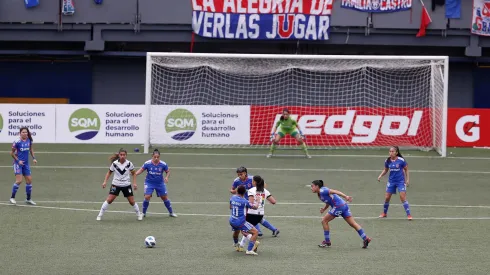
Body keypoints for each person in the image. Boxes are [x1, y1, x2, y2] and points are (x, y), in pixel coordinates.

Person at [311, 180, 371, 249]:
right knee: (353, 224)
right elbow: (328, 201)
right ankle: (365, 238)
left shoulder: (323, 190)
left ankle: (327, 242)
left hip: (338, 207)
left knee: (324, 221)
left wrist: (346, 196)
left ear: (317, 186)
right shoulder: (320, 194)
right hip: (343, 206)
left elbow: (336, 191)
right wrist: (324, 209)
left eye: (312, 186)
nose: (311, 188)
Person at [97, 148, 143, 221]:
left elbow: (134, 173)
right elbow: (109, 172)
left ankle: (139, 214)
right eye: (121, 155)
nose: (122, 156)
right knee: (109, 200)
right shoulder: (115, 164)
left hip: (126, 185)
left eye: (124, 155)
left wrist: (134, 183)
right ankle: (100, 214)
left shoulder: (129, 164)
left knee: (131, 201)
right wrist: (105, 181)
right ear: (119, 155)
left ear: (126, 155)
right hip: (116, 184)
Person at [237, 175, 279, 252]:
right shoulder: (265, 191)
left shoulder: (251, 190)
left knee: (244, 230)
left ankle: (252, 245)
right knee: (249, 229)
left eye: (252, 181)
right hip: (260, 215)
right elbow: (273, 201)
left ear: (255, 182)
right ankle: (241, 246)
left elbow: (251, 203)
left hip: (251, 214)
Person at [230, 167, 276, 237]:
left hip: (252, 202)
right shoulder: (236, 181)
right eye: (238, 174)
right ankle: (272, 229)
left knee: (250, 217)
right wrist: (234, 191)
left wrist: (259, 192)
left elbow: (264, 185)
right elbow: (232, 190)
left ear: (245, 173)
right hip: (245, 202)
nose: (239, 176)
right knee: (257, 218)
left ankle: (258, 231)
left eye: (241, 174)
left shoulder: (252, 179)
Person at [135, 149, 177, 218]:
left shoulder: (163, 164)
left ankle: (171, 212)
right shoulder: (147, 163)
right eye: (155, 157)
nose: (156, 158)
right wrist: (135, 174)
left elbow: (168, 171)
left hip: (160, 183)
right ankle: (143, 213)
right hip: (149, 183)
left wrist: (166, 177)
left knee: (164, 197)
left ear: (159, 157)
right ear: (152, 156)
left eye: (158, 157)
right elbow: (141, 170)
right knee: (147, 196)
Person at [377, 146, 412, 220]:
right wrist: (380, 175)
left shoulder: (401, 160)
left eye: (392, 151)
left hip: (400, 181)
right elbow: (386, 170)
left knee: (402, 197)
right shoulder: (387, 161)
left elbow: (406, 170)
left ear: (396, 153)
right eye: (390, 151)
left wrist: (407, 179)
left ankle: (409, 215)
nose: (391, 153)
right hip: (391, 182)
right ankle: (384, 213)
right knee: (387, 198)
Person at [230, 185, 261, 256]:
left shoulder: (232, 197)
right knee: (255, 232)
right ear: (244, 193)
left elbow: (230, 207)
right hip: (240, 222)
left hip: (232, 220)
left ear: (237, 191)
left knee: (236, 231)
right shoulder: (244, 201)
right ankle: (249, 250)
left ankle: (235, 243)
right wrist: (258, 201)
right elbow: (255, 207)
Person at [10, 127, 37, 205]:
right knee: (19, 181)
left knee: (29, 181)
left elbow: (31, 150)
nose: (25, 133)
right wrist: (18, 161)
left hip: (26, 164)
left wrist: (34, 158)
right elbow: (11, 153)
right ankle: (12, 197)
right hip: (17, 163)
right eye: (23, 132)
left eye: (26, 132)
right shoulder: (17, 142)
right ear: (20, 133)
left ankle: (28, 199)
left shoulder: (29, 140)